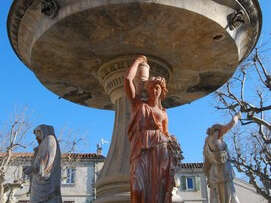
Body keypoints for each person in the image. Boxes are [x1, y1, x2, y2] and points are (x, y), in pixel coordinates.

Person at [124, 55, 178, 203]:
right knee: (137, 188)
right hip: (141, 150)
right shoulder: (139, 105)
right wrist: (137, 62)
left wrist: (172, 142)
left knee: (158, 192)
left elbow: (165, 133)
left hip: (160, 153)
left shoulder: (164, 113)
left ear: (162, 90)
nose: (155, 90)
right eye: (152, 87)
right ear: (147, 89)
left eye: (157, 88)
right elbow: (128, 80)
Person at [203, 113, 241, 203]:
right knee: (230, 195)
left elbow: (206, 163)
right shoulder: (216, 136)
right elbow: (231, 124)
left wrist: (208, 176)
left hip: (215, 173)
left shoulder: (207, 143)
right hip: (223, 171)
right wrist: (237, 116)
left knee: (218, 197)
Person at [23, 124, 62, 203]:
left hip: (46, 185)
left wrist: (32, 169)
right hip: (39, 183)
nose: (36, 138)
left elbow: (46, 164)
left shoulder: (49, 139)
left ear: (41, 132)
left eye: (37, 135)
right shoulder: (44, 142)